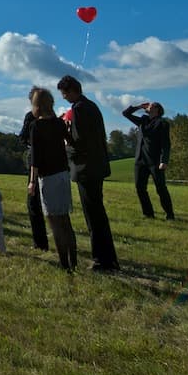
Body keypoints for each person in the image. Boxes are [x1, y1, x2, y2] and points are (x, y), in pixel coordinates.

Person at [57, 75, 119, 272]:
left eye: (65, 93)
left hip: (87, 169)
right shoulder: (90, 106)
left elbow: (79, 142)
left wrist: (64, 144)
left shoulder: (79, 109)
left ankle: (102, 260)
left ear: (72, 90)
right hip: (96, 166)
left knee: (94, 217)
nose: (64, 97)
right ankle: (109, 258)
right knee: (98, 214)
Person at [27, 87, 77, 270]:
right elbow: (70, 141)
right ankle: (74, 261)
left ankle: (64, 264)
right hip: (63, 174)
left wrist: (32, 181)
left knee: (54, 223)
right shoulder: (59, 123)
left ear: (37, 106)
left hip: (47, 177)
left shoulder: (36, 126)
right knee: (65, 220)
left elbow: (35, 157)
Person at [122, 101, 175, 220]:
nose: (148, 106)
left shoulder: (162, 123)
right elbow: (125, 113)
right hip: (140, 160)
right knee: (140, 188)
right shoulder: (143, 120)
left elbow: (166, 143)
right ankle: (148, 214)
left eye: (151, 105)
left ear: (157, 109)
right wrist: (139, 107)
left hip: (155, 162)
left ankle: (170, 214)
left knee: (161, 189)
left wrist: (164, 160)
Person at [18, 98, 51, 250]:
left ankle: (40, 242)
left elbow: (23, 137)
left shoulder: (30, 118)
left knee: (33, 204)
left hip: (35, 165)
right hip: (53, 166)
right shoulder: (53, 118)